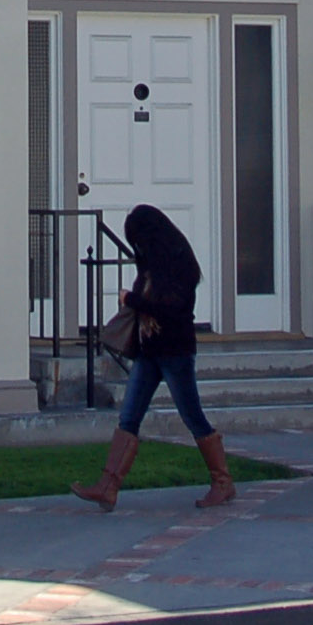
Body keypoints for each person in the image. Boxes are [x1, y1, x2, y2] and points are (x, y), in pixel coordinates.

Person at [71, 204, 237, 513]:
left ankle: (222, 482)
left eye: (138, 240)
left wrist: (130, 299)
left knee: (192, 416)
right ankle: (108, 486)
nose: (137, 247)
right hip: (149, 352)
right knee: (129, 416)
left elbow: (172, 311)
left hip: (175, 352)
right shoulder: (151, 263)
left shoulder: (180, 265)